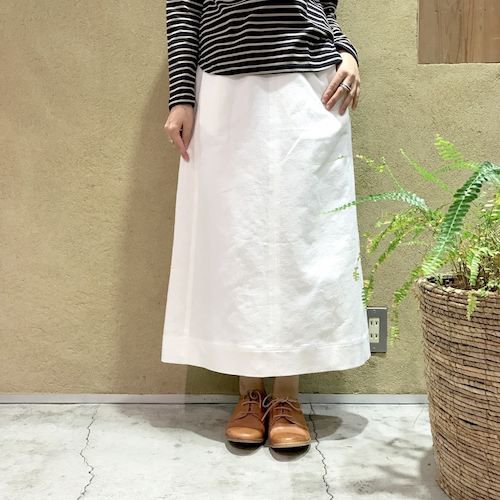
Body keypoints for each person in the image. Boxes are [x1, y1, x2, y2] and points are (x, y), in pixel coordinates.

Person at [161, 0, 371, 450]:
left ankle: (286, 395)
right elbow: (183, 8)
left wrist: (347, 52)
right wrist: (181, 96)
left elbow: (324, 8)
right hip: (224, 86)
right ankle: (250, 392)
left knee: (300, 239)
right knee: (236, 239)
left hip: (309, 86)